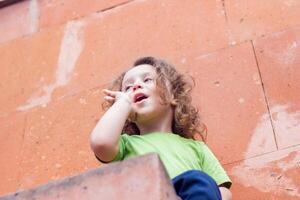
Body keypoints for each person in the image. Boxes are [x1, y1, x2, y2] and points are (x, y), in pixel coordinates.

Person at [90, 57, 232, 200]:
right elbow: (101, 143)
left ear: (172, 95)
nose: (136, 86)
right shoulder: (125, 144)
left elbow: (222, 191)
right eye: (127, 88)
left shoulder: (197, 148)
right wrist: (123, 104)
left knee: (197, 181)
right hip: (148, 195)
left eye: (147, 80)